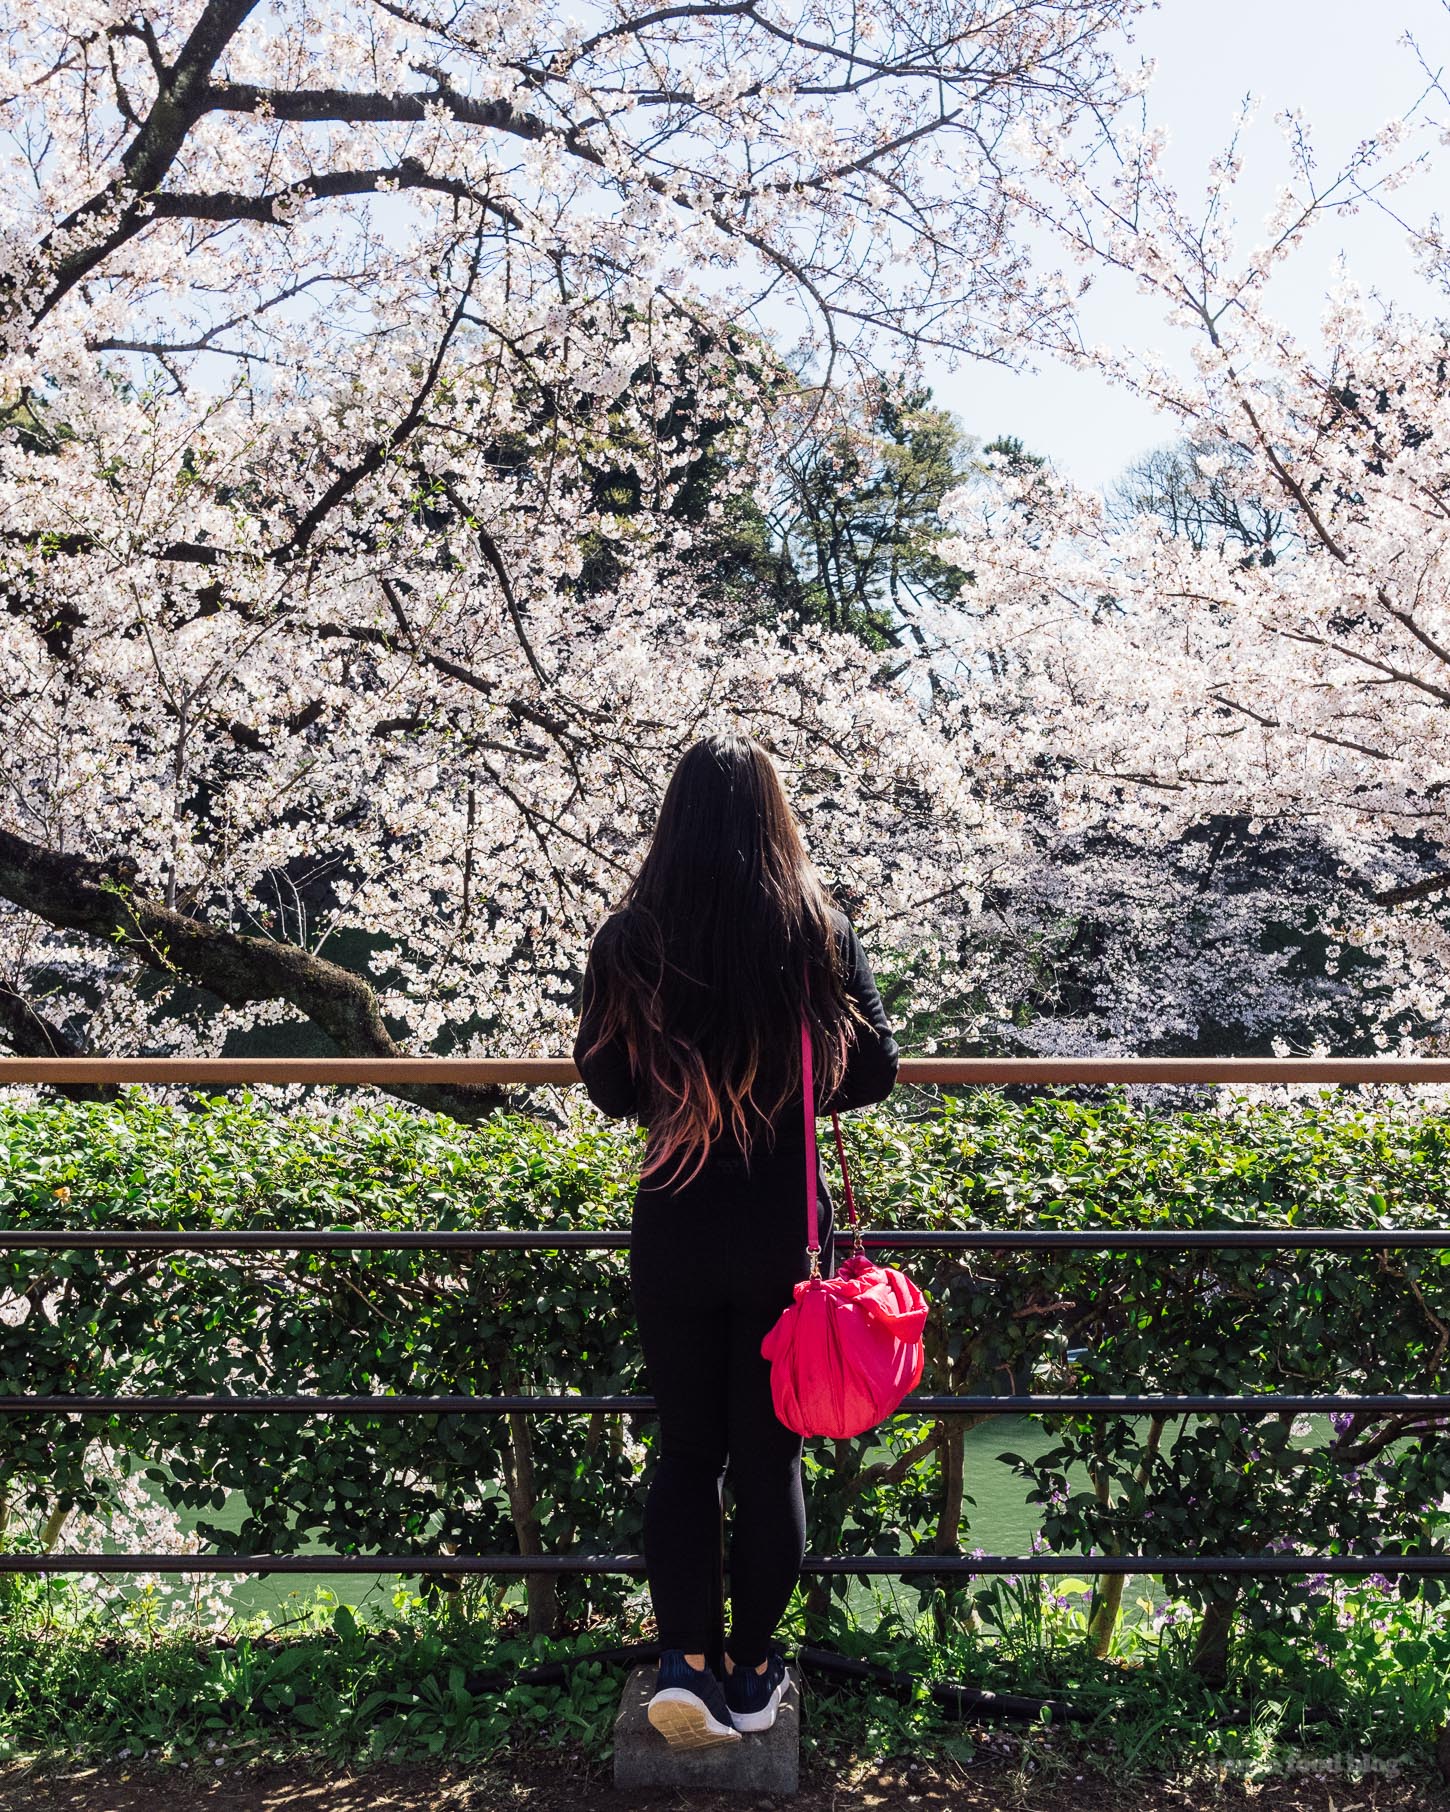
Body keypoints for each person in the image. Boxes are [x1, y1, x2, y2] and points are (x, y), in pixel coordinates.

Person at [572, 733, 900, 1747]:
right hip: (783, 1242)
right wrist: (791, 1081)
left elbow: (610, 1088)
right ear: (775, 815)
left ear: (672, 822)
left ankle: (684, 1663)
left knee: (685, 1455)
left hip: (674, 1227)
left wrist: (685, 1082)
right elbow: (878, 1068)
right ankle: (754, 1676)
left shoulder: (630, 936)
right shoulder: (816, 930)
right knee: (769, 1463)